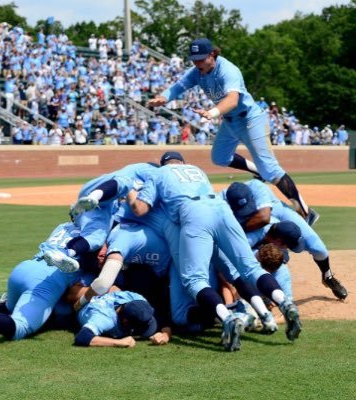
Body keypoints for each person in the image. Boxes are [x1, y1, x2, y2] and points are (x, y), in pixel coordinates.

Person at [126, 151, 302, 351]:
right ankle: (284, 303)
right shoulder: (196, 169)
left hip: (194, 214)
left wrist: (130, 193)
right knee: (250, 267)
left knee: (194, 280)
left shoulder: (158, 174)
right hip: (221, 208)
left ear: (163, 164)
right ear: (183, 162)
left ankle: (227, 318)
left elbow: (140, 209)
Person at [147, 38, 318, 226]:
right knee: (219, 157)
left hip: (250, 119)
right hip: (230, 121)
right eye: (194, 59)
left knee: (271, 170)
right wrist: (164, 97)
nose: (197, 63)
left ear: (213, 54)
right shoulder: (198, 71)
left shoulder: (228, 70)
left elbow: (233, 100)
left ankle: (306, 212)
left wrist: (212, 112)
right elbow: (180, 85)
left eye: (201, 58)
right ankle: (257, 170)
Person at [0, 221, 98, 352]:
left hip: (25, 268)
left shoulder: (65, 226)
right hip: (46, 280)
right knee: (20, 327)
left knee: (10, 308)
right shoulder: (96, 233)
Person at [223, 180, 348, 300]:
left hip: (277, 213)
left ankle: (328, 277)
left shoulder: (256, 187)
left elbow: (264, 217)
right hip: (252, 230)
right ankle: (257, 289)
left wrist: (237, 231)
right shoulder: (221, 201)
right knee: (259, 255)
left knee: (318, 248)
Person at [74, 291, 158, 348]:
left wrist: (165, 334)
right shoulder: (104, 319)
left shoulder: (138, 299)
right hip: (77, 304)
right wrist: (119, 342)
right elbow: (82, 337)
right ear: (125, 321)